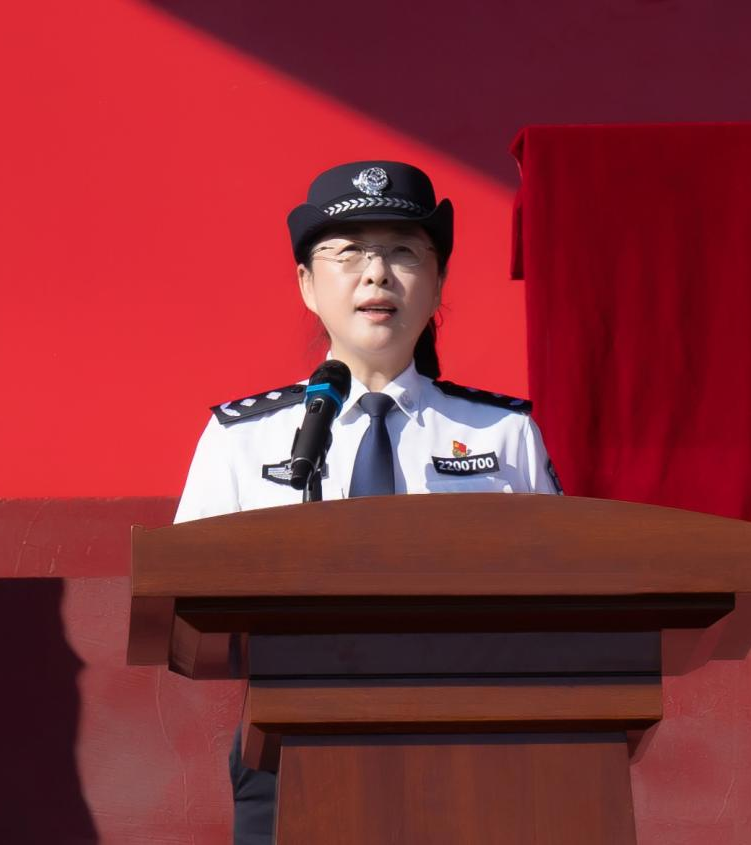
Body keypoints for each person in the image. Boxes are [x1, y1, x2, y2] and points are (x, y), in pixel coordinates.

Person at [172, 160, 562, 844]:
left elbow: (564, 601)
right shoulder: (241, 437)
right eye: (349, 252)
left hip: (471, 751)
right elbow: (184, 600)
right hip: (292, 751)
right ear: (306, 283)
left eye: (403, 251)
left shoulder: (501, 434)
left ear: (438, 282)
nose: (376, 274)